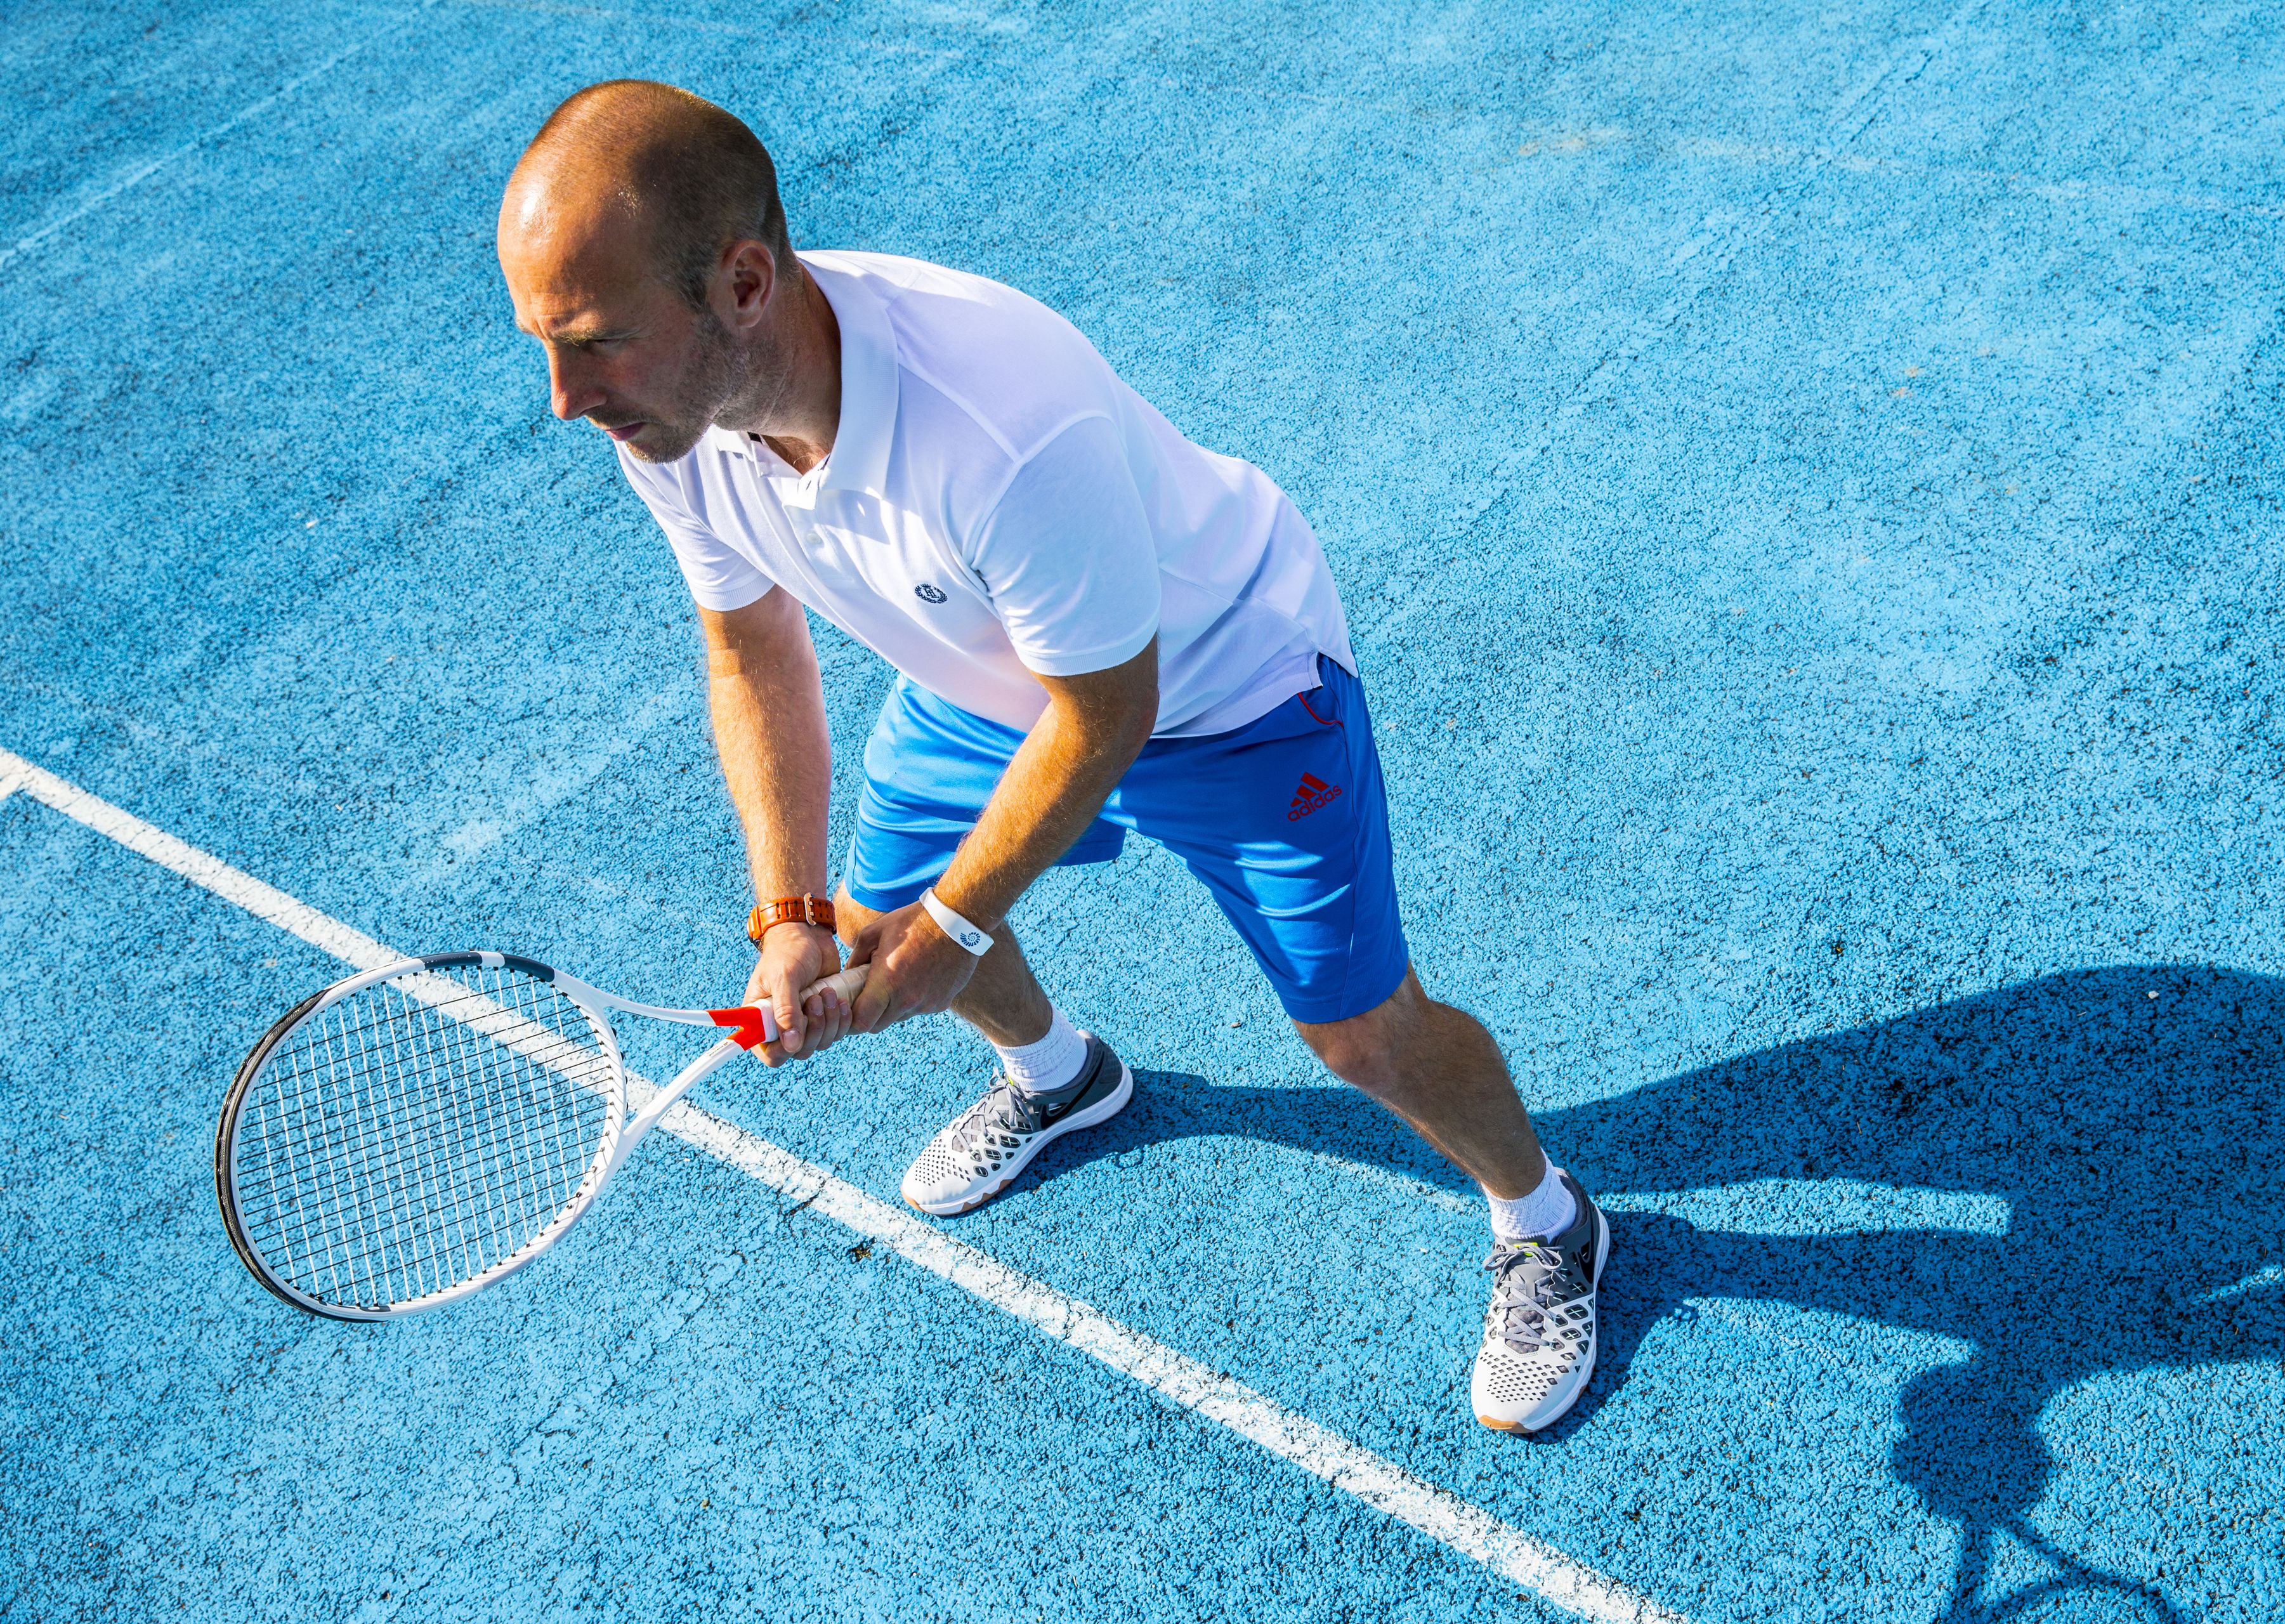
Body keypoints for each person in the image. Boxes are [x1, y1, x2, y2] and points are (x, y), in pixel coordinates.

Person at [495, 79, 1606, 1432]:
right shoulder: (670, 418)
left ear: (741, 285)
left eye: (594, 344)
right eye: (547, 347)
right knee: (869, 913)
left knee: (1357, 1029)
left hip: (1223, 689)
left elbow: (1107, 715)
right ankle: (1064, 1075)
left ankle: (1548, 1219)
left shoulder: (1001, 423)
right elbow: (750, 651)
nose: (562, 399)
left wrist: (960, 924)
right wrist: (785, 914)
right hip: (994, 666)